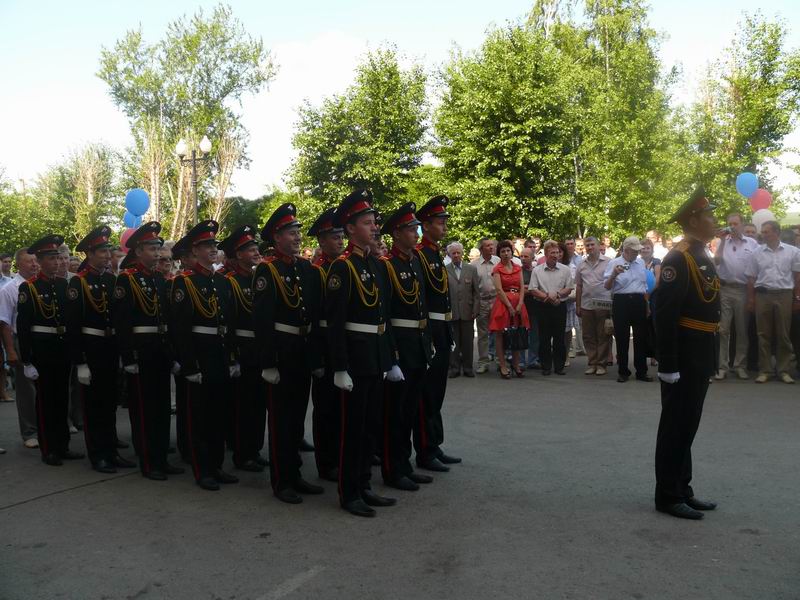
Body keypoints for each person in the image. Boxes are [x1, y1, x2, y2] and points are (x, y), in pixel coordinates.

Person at [325, 189, 397, 517]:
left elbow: (384, 316)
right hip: (355, 359)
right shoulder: (342, 268)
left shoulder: (376, 265)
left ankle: (365, 485)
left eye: (374, 222)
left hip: (376, 357)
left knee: (370, 427)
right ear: (351, 229)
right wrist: (339, 367)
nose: (374, 227)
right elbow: (336, 323)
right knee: (352, 430)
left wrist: (390, 359)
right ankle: (349, 491)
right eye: (367, 223)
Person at [653, 186, 721, 520]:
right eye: (709, 214)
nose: (714, 219)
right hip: (684, 353)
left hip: (701, 350)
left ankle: (683, 488)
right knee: (675, 425)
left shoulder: (701, 254)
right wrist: (668, 363)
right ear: (693, 220)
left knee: (688, 423)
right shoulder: (678, 257)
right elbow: (665, 314)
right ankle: (667, 495)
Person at [253, 204, 325, 504]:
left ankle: (295, 474)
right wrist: (268, 362)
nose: (297, 237)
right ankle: (282, 480)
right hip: (282, 352)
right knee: (281, 421)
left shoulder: (305, 269)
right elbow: (263, 321)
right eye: (291, 232)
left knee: (296, 420)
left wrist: (316, 358)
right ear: (277, 237)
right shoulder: (267, 271)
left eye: (297, 232)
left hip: (302, 351)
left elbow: (314, 315)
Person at [171, 220, 240, 490]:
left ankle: (217, 465)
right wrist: (190, 365)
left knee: (220, 415)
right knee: (200, 417)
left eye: (214, 244)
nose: (213, 249)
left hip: (220, 354)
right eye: (206, 245)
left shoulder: (222, 282)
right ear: (194, 250)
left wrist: (232, 358)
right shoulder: (185, 283)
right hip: (201, 356)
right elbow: (180, 329)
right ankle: (203, 470)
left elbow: (229, 323)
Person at [113, 222, 183, 482]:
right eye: (151, 249)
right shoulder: (127, 279)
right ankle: (149, 460)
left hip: (160, 350)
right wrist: (128, 356)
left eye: (158, 248)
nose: (157, 253)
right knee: (144, 408)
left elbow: (167, 319)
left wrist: (173, 354)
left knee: (162, 407)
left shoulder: (158, 279)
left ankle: (161, 457)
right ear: (138, 250)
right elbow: (122, 322)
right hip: (141, 351)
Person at [66, 226, 135, 474]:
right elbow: (73, 325)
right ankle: (98, 455)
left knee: (109, 404)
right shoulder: (78, 282)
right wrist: (80, 361)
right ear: (89, 253)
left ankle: (111, 451)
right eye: (102, 251)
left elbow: (119, 319)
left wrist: (123, 353)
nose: (107, 255)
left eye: (108, 251)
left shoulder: (110, 280)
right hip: (92, 349)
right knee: (94, 407)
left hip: (110, 348)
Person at [379, 202, 435, 491]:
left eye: (417, 229)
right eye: (411, 229)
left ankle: (405, 464)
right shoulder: (387, 265)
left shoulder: (414, 261)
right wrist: (391, 357)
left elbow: (422, 306)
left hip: (418, 344)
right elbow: (385, 315)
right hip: (401, 346)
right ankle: (392, 468)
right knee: (396, 413)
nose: (416, 233)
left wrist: (428, 342)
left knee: (411, 410)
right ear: (397, 233)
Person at [16, 234, 84, 465]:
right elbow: (23, 326)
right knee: (46, 401)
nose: (57, 262)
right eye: (51, 258)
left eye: (58, 257)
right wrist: (27, 360)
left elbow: (72, 320)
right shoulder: (29, 287)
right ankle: (49, 448)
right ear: (40, 261)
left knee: (62, 398)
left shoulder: (64, 285)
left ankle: (63, 445)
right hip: (42, 350)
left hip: (62, 349)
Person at [414, 195, 461, 472]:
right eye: (440, 222)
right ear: (426, 225)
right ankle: (425, 449)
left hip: (442, 329)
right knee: (427, 395)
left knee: (437, 392)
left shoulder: (434, 254)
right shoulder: (420, 254)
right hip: (430, 331)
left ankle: (435, 444)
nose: (444, 226)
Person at [217, 225, 265, 473]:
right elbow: (229, 322)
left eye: (256, 248)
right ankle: (241, 452)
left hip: (259, 349)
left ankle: (254, 449)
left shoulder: (258, 278)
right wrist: (232, 357)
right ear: (237, 255)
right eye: (250, 249)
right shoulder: (230, 282)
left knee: (258, 405)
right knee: (242, 406)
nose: (256, 252)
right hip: (242, 350)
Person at [308, 207, 345, 482]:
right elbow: (311, 318)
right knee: (326, 409)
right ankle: (326, 462)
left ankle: (341, 456)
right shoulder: (315, 272)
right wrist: (316, 359)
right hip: (323, 346)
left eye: (342, 236)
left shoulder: (343, 267)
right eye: (334, 237)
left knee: (342, 408)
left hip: (342, 344)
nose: (340, 241)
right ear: (321, 241)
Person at [745, 221, 800, 384]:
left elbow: (797, 277)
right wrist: (751, 299)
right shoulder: (756, 253)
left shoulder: (793, 252)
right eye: (762, 232)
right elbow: (751, 278)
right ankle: (765, 370)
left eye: (766, 232)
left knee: (783, 334)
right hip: (763, 295)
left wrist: (797, 297)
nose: (762, 234)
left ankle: (784, 371)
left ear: (776, 232)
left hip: (784, 294)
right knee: (763, 334)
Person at [0, 249, 40, 445]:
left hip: (43, 340)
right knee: (26, 390)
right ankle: (30, 432)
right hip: (21, 340)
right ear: (18, 264)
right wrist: (10, 350)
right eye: (29, 261)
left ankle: (49, 427)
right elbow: (4, 323)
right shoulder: (9, 289)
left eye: (35, 260)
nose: (34, 264)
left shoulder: (42, 284)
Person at [713, 213, 759, 380]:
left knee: (742, 329)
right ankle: (722, 366)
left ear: (742, 225)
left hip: (743, 290)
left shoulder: (752, 243)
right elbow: (717, 261)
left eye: (735, 223)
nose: (732, 226)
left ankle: (740, 365)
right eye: (730, 223)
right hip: (725, 289)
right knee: (723, 330)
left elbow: (757, 266)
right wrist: (722, 240)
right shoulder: (722, 242)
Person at [604, 237, 651, 383]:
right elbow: (606, 286)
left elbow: (644, 285)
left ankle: (641, 371)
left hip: (639, 300)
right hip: (621, 301)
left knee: (640, 337)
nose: (637, 253)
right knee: (622, 337)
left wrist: (647, 305)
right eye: (634, 251)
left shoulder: (640, 262)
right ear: (626, 250)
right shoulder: (614, 263)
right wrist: (614, 274)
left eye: (638, 250)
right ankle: (623, 371)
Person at [528, 241, 573, 375]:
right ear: (546, 254)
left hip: (559, 306)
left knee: (559, 337)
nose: (555, 255)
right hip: (543, 306)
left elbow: (569, 288)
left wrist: (557, 295)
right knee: (544, 338)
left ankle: (559, 366)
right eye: (552, 252)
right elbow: (533, 289)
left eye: (557, 252)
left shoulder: (565, 270)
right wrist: (548, 297)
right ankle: (546, 366)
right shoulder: (537, 270)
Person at [489, 240, 529, 378]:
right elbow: (499, 290)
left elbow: (522, 287)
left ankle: (516, 364)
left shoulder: (518, 268)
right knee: (500, 335)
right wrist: (510, 306)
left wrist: (520, 303)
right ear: (499, 254)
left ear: (512, 252)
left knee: (517, 333)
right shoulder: (497, 269)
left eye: (508, 251)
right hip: (503, 304)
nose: (506, 253)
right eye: (503, 251)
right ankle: (503, 365)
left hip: (518, 303)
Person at [575, 236, 612, 375]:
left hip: (604, 304)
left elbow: (614, 283)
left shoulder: (609, 262)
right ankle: (592, 363)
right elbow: (579, 286)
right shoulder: (581, 265)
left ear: (598, 245)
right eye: (587, 245)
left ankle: (601, 364)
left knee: (603, 335)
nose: (590, 247)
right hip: (586, 305)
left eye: (592, 244)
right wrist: (578, 305)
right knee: (588, 336)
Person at [446, 241, 480, 377]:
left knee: (467, 342)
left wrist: (476, 309)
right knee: (453, 342)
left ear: (462, 253)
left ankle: (468, 368)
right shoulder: (445, 269)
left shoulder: (471, 269)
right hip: (452, 311)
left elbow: (476, 292)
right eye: (453, 253)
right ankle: (454, 368)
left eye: (458, 252)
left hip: (468, 311)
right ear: (449, 254)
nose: (456, 255)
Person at [471, 238, 499, 373]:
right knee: (482, 334)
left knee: (499, 332)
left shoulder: (499, 262)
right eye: (487, 246)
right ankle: (483, 362)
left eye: (492, 245)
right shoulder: (473, 265)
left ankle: (500, 360)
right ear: (481, 249)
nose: (491, 247)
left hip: (497, 300)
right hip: (482, 302)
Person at [519, 248, 541, 369]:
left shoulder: (537, 271)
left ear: (532, 258)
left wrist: (527, 288)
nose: (523, 259)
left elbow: (539, 288)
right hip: (521, 306)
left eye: (526, 256)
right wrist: (530, 289)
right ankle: (521, 360)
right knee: (521, 333)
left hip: (535, 307)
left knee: (535, 335)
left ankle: (533, 359)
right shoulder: (517, 271)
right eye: (521, 256)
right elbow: (517, 288)